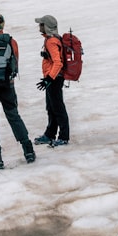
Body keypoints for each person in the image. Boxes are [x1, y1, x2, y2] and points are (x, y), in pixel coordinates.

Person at [0, 13, 36, 170]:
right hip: (8, 87)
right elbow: (15, 63)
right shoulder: (12, 42)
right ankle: (28, 150)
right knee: (14, 117)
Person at [33, 14, 70, 147]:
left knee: (58, 107)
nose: (39, 26)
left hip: (54, 79)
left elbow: (58, 63)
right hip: (53, 78)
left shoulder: (51, 41)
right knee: (51, 107)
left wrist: (48, 78)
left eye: (41, 24)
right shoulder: (53, 39)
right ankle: (50, 134)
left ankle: (63, 137)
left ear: (46, 26)